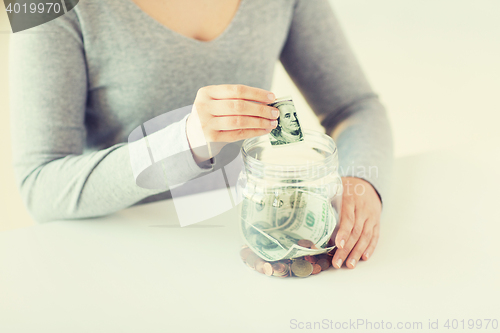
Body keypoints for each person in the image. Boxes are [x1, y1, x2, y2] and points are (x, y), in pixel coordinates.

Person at [9, 0, 393, 269]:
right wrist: (185, 142)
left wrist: (362, 183)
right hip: (119, 258)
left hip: (249, 244)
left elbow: (356, 106)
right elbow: (40, 185)